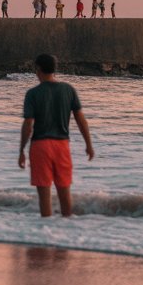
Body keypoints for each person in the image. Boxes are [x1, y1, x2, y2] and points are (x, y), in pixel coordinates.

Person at [18, 53, 94, 218]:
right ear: (54, 69)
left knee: (44, 196)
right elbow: (81, 120)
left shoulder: (33, 94)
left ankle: (47, 230)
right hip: (62, 146)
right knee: (65, 193)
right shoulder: (68, 90)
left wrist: (21, 150)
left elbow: (28, 124)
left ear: (38, 69)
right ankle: (67, 228)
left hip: (40, 146)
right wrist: (89, 145)